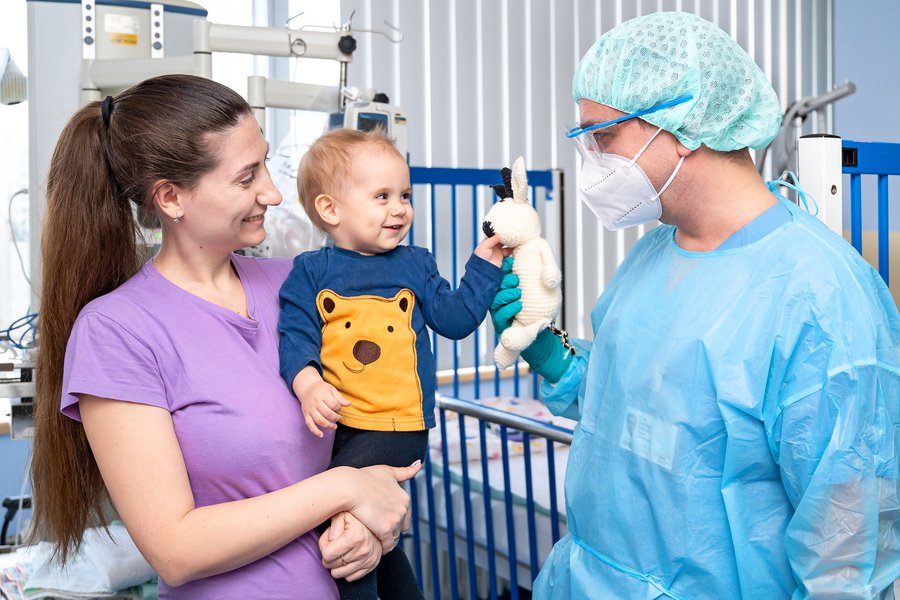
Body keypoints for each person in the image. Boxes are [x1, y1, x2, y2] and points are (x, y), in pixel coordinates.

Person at [490, 11, 900, 599]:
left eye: (602, 137)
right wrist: (549, 352)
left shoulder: (821, 298)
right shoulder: (654, 253)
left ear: (681, 124)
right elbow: (635, 409)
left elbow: (846, 556)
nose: (592, 163)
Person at [29, 74, 421, 600]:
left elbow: (377, 436)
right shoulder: (118, 333)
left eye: (265, 163)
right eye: (247, 177)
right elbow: (176, 548)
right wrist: (341, 490)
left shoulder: (298, 284)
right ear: (171, 198)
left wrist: (374, 532)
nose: (274, 192)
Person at [278, 127, 506, 599]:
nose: (400, 208)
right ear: (330, 209)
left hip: (396, 426)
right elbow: (295, 337)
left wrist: (484, 264)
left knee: (339, 525)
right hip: (345, 427)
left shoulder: (414, 264)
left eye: (405, 194)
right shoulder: (310, 272)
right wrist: (307, 384)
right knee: (373, 538)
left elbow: (457, 317)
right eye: (382, 196)